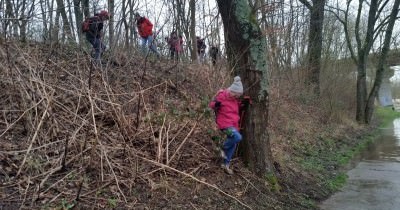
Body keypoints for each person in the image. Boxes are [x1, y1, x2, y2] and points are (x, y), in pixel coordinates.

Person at [209, 76, 244, 174]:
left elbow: (234, 110)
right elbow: (211, 105)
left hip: (233, 124)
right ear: (232, 91)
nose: (237, 97)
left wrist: (243, 104)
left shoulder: (234, 100)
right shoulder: (222, 96)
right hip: (225, 125)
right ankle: (221, 148)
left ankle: (225, 164)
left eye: (238, 96)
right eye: (237, 95)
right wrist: (215, 104)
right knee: (237, 137)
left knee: (233, 144)